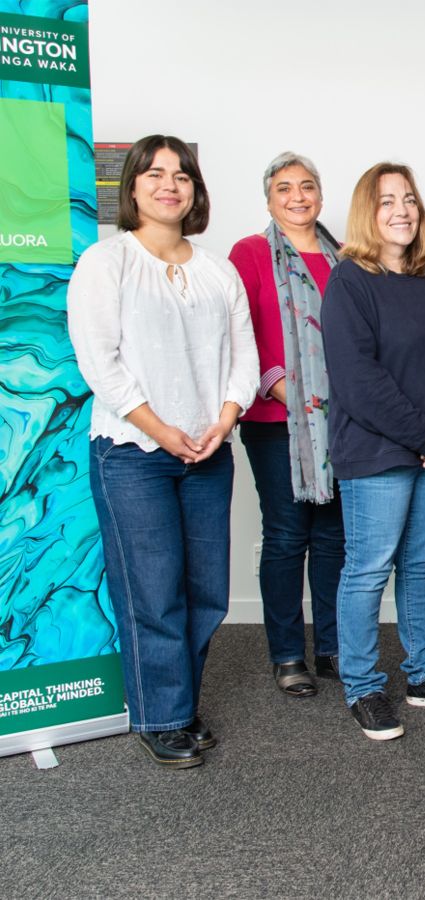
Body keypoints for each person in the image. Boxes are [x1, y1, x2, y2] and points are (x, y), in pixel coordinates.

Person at [68, 135, 258, 767]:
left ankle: (177, 700)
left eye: (181, 175)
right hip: (132, 451)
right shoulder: (107, 262)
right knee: (152, 589)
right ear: (133, 188)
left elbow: (244, 362)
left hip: (207, 449)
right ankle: (163, 713)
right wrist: (162, 427)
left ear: (195, 191)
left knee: (207, 591)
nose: (169, 184)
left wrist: (223, 421)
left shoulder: (217, 271)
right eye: (154, 174)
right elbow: (103, 364)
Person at [322, 162, 425, 740]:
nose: (402, 210)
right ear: (369, 211)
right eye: (388, 200)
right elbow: (357, 379)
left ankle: (424, 674)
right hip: (378, 453)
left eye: (410, 199)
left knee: (420, 566)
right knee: (368, 570)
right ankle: (364, 688)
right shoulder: (349, 281)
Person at [229, 152, 344, 700]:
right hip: (276, 418)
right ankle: (287, 654)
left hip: (341, 420)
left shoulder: (344, 257)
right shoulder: (250, 253)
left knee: (332, 539)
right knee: (286, 535)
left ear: (320, 195)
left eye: (306, 187)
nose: (297, 197)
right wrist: (284, 388)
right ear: (269, 199)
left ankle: (331, 646)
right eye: (284, 189)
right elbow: (237, 332)